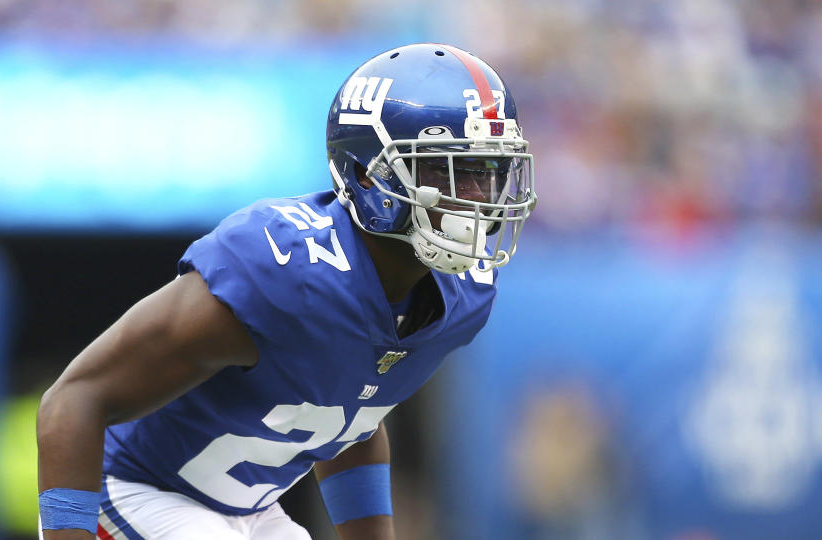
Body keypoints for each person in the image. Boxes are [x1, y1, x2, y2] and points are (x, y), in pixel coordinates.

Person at [36, 42, 536, 540]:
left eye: (486, 171)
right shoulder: (279, 270)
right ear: (367, 174)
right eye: (446, 170)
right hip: (126, 488)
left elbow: (350, 423)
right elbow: (74, 400)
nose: (473, 198)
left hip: (249, 511)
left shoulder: (464, 294)